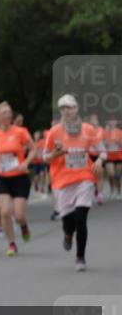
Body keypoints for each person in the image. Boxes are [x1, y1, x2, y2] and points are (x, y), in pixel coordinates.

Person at [44, 96, 106, 271]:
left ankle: (80, 257)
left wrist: (100, 161)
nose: (67, 111)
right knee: (68, 221)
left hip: (85, 178)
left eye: (70, 107)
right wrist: (54, 155)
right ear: (61, 111)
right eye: (63, 108)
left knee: (81, 218)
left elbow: (102, 151)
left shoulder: (88, 129)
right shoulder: (54, 132)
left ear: (77, 108)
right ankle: (68, 233)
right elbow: (45, 157)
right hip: (63, 181)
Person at [0, 102, 34, 256]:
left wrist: (25, 163)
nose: (8, 115)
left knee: (18, 215)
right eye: (4, 112)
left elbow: (34, 149)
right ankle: (11, 243)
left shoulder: (20, 132)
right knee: (5, 211)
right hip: (2, 178)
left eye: (9, 112)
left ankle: (23, 225)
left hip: (19, 178)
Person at [88, 114, 106, 205]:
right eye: (92, 119)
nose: (94, 121)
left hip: (99, 156)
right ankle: (94, 188)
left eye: (95, 119)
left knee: (100, 174)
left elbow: (105, 141)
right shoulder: (86, 130)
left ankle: (100, 195)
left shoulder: (101, 130)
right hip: (89, 155)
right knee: (91, 175)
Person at [105, 118, 122, 198]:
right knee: (111, 174)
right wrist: (106, 144)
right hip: (109, 155)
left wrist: (117, 142)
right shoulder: (105, 132)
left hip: (119, 155)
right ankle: (112, 189)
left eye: (113, 121)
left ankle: (119, 191)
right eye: (110, 121)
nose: (112, 122)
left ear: (116, 122)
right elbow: (101, 144)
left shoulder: (119, 132)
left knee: (117, 175)